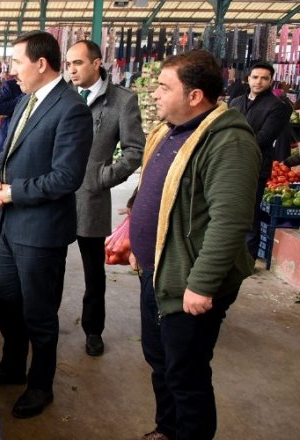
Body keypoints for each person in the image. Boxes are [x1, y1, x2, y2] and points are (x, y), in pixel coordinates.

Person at [128, 50, 260, 440]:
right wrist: (135, 235)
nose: (155, 94)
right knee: (160, 361)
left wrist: (202, 283)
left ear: (195, 96)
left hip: (189, 282)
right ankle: (167, 430)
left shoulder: (228, 142)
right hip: (157, 272)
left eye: (165, 87)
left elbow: (231, 221)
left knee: (186, 374)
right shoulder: (172, 131)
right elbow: (155, 190)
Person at [0, 31, 93, 418]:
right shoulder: (25, 102)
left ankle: (40, 384)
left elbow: (67, 177)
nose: (11, 70)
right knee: (6, 302)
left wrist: (14, 191)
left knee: (39, 313)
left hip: (41, 232)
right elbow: (5, 150)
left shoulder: (70, 109)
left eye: (16, 62)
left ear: (41, 63)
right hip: (9, 227)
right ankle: (13, 364)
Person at [65, 40, 145, 357]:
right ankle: (44, 325)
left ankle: (93, 330)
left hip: (91, 198)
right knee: (48, 266)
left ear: (97, 63)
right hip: (55, 196)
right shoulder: (62, 98)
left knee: (93, 273)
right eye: (68, 63)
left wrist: (102, 177)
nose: (71, 69)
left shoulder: (121, 102)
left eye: (78, 63)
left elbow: (134, 151)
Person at [228, 62, 292, 257]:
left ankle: (248, 257)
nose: (259, 81)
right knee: (229, 209)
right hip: (230, 164)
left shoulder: (277, 107)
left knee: (250, 211)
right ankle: (228, 253)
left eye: (264, 78)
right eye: (255, 77)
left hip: (255, 166)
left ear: (271, 81)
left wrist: (231, 145)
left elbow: (264, 138)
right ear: (248, 79)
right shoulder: (236, 103)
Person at [0, 72, 24, 257]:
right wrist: (25, 98)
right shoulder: (12, 86)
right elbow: (0, 109)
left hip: (26, 149)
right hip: (8, 145)